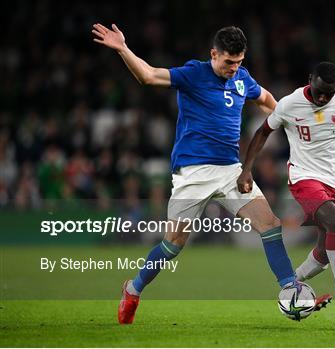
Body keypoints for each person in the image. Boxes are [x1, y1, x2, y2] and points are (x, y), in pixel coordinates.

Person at [92, 24, 302, 324]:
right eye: (228, 62)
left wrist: (292, 123)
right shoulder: (193, 74)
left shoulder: (242, 78)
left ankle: (290, 289)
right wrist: (123, 49)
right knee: (174, 244)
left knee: (269, 224)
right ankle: (133, 288)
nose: (234, 68)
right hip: (193, 172)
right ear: (213, 54)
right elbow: (148, 75)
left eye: (239, 62)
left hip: (230, 169)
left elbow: (267, 100)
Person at [237, 62, 335, 320]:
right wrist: (247, 170)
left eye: (329, 93)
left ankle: (292, 291)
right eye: (319, 91)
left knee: (324, 253)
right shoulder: (290, 104)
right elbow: (262, 132)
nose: (323, 98)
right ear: (310, 79)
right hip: (303, 177)